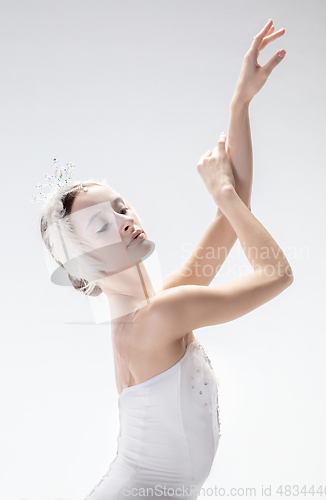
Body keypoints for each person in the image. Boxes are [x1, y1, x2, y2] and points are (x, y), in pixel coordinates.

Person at [36, 19, 292, 500]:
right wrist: (224, 195)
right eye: (100, 225)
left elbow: (236, 206)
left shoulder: (158, 306)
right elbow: (278, 274)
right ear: (84, 266)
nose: (123, 218)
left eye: (121, 206)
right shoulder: (159, 317)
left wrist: (241, 103)